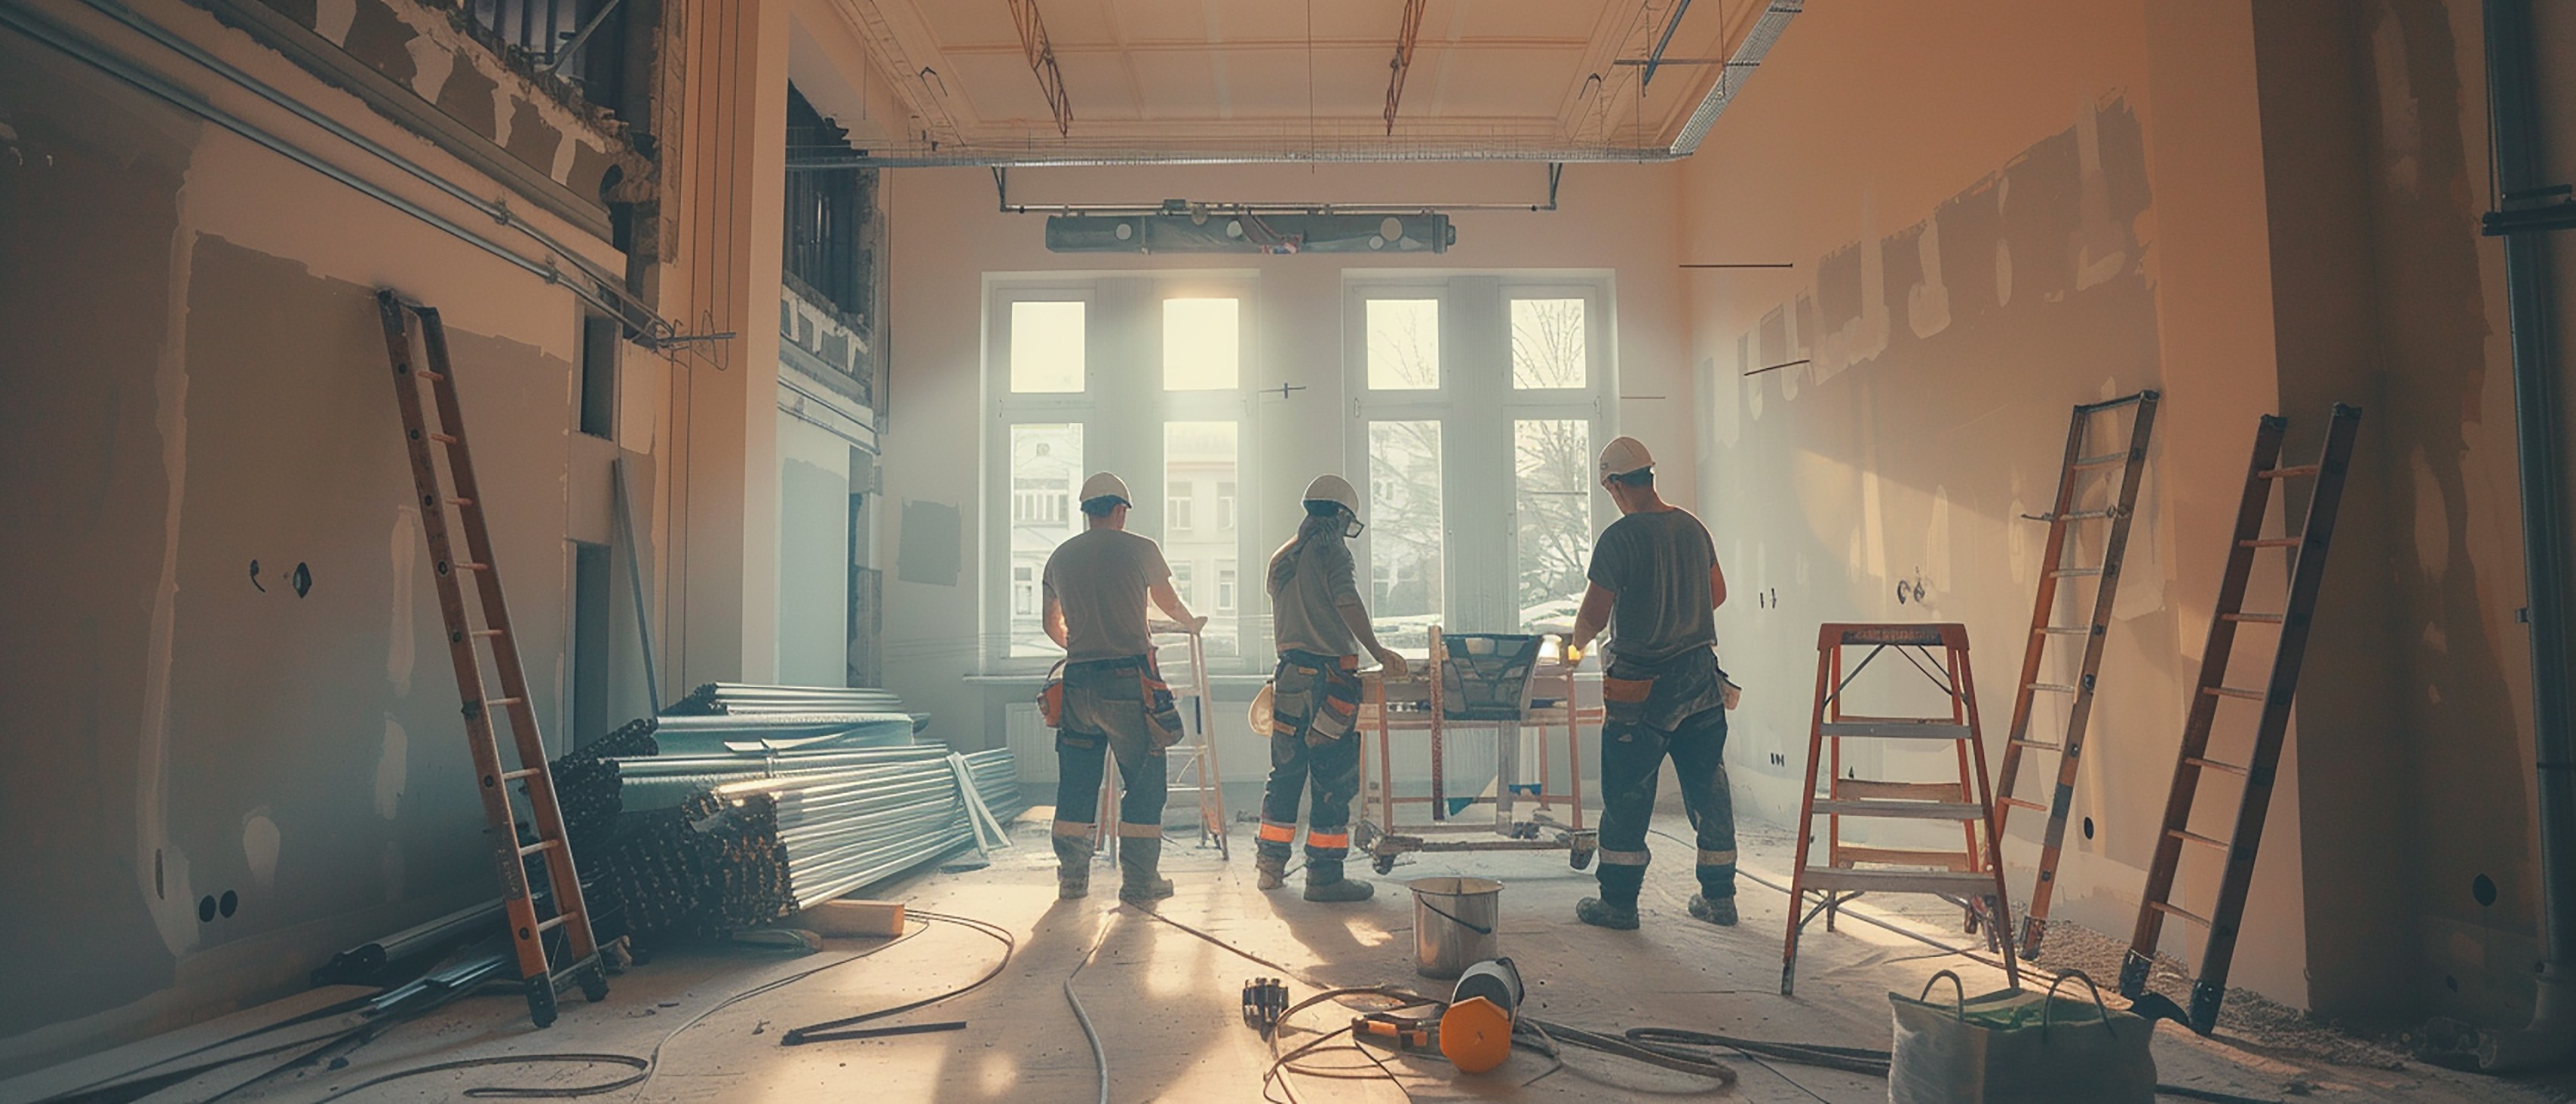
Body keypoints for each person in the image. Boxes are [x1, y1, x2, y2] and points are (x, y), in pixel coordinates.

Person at [1566, 436, 1737, 930]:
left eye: (1609, 488)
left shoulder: (1621, 539)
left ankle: (1618, 903)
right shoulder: (1691, 528)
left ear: (1616, 484)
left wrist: (1575, 645)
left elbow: (1594, 614)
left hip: (1639, 689)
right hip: (1700, 680)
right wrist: (1681, 615)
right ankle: (1719, 898)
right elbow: (1716, 594)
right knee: (1708, 788)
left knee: (1627, 791)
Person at [1043, 472, 1207, 905]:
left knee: (1076, 784)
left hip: (1077, 683)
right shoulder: (1140, 548)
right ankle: (1138, 883)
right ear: (1120, 510)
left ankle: (1073, 880)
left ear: (1085, 512)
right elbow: (1167, 602)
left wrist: (1082, 646)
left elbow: (1050, 624)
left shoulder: (1060, 557)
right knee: (1146, 781)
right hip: (1128, 683)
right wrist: (1189, 623)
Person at [1254, 475, 1410, 903]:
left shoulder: (1282, 557)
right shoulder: (1332, 551)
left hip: (1288, 678)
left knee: (1284, 775)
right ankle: (1324, 878)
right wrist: (1377, 650)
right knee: (1331, 779)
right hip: (1328, 682)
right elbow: (1346, 602)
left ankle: (1270, 867)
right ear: (1341, 517)